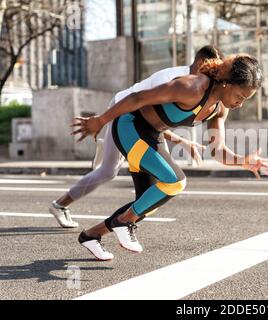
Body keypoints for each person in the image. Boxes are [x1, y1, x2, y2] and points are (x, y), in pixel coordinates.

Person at [72, 53, 268, 261]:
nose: (240, 104)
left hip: (151, 135)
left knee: (148, 202)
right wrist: (100, 120)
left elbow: (217, 150)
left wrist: (244, 161)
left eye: (244, 100)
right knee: (176, 182)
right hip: (129, 127)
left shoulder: (219, 109)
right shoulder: (192, 87)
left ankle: (91, 235)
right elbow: (137, 98)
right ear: (226, 83)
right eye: (240, 97)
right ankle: (123, 222)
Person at [49, 45, 223, 228]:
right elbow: (145, 112)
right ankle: (61, 205)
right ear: (203, 63)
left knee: (147, 179)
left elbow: (158, 122)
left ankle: (124, 219)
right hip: (124, 111)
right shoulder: (176, 80)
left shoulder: (198, 87)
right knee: (108, 171)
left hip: (139, 122)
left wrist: (183, 141)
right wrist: (101, 121)